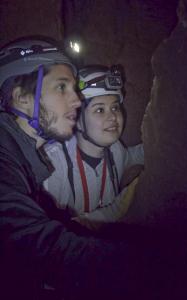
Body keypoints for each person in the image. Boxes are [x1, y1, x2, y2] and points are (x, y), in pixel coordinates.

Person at [0, 36, 148, 300]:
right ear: (22, 99)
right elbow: (41, 248)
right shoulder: (23, 164)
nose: (77, 101)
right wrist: (173, 264)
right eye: (61, 87)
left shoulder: (26, 160)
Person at [44, 65, 144, 228]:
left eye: (115, 107)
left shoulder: (115, 150)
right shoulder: (54, 164)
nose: (112, 116)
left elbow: (134, 156)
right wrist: (117, 207)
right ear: (77, 120)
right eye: (99, 110)